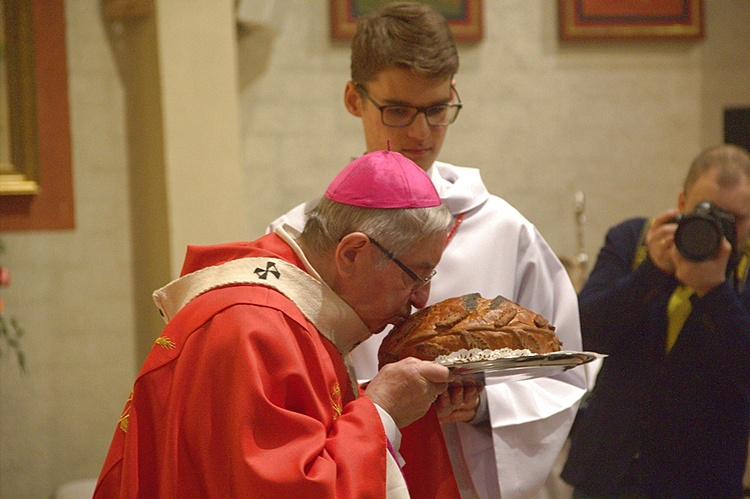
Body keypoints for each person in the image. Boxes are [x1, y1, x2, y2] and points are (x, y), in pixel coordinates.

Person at [267, 3, 588, 498]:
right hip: (347, 476)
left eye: (438, 110)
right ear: (354, 99)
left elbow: (564, 375)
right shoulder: (300, 236)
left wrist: (483, 406)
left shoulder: (504, 230)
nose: (420, 133)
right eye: (397, 110)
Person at [93, 150, 468, 498]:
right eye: (415, 276)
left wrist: (407, 404)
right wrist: (381, 410)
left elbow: (300, 421)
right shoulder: (251, 327)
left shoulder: (289, 309)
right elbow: (279, 487)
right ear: (353, 253)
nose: (421, 298)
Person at [561, 144, 750, 498]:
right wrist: (650, 272)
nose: (720, 230)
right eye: (706, 212)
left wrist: (716, 292)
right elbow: (583, 333)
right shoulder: (634, 241)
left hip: (700, 482)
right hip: (605, 474)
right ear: (681, 203)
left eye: (735, 219)